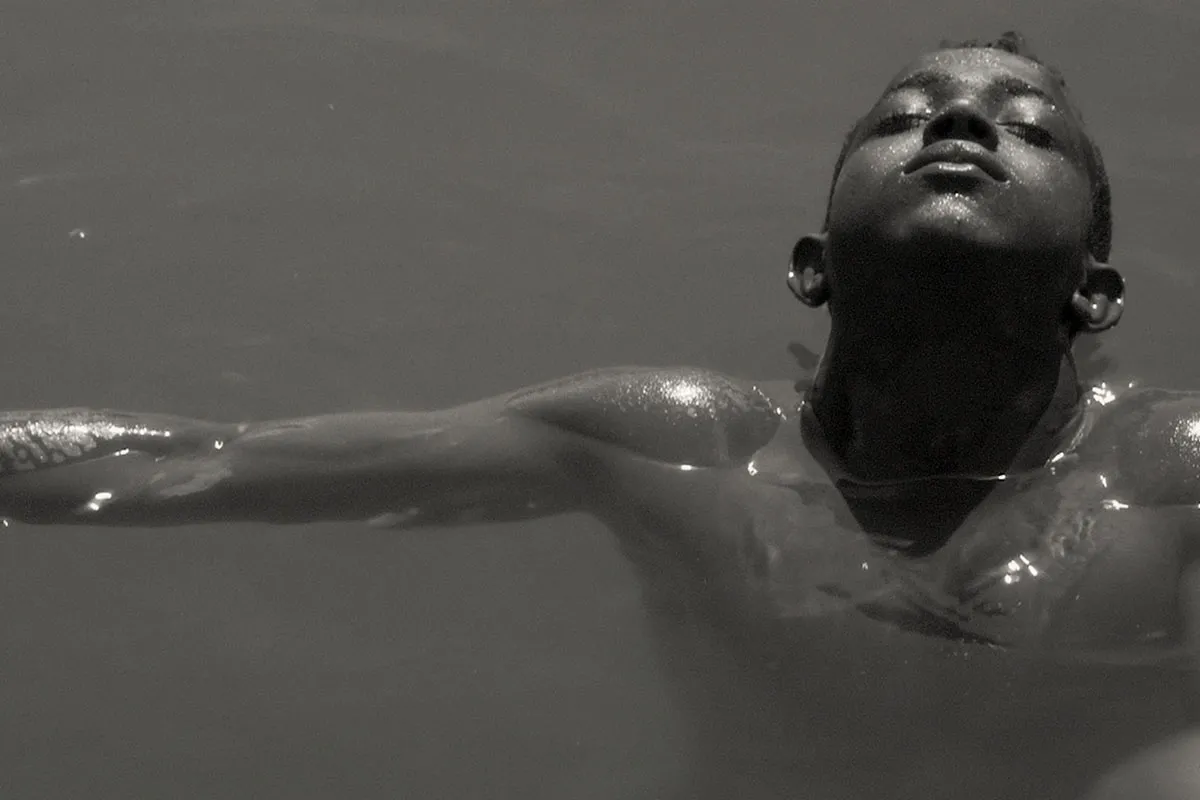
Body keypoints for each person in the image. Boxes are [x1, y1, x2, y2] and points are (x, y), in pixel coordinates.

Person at [3, 31, 1195, 798]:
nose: (958, 124)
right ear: (812, 265)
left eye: (1028, 130)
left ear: (1095, 290)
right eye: (905, 115)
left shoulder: (1168, 466)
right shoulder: (673, 443)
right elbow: (210, 464)